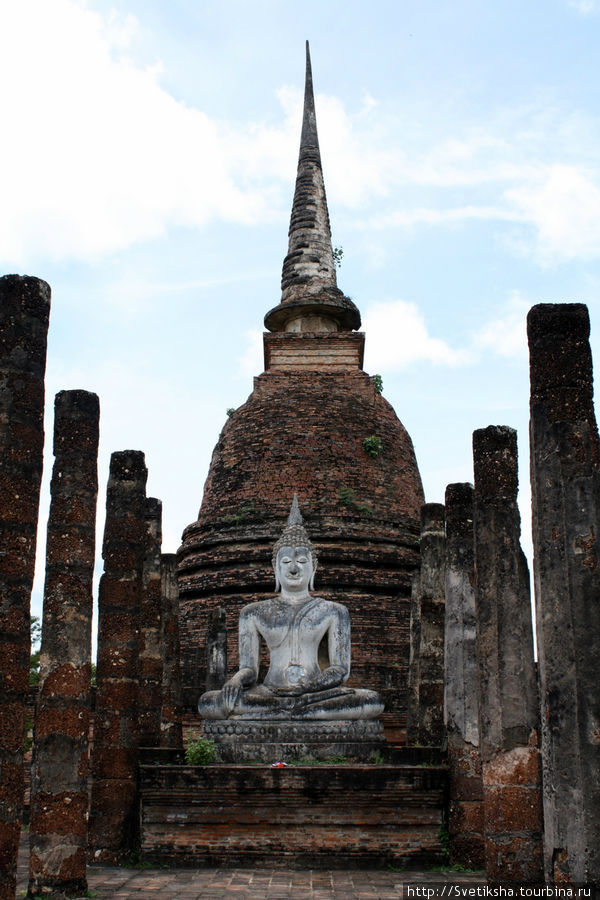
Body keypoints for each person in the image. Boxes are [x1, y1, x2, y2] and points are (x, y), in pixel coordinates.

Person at [198, 495, 383, 721]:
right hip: (270, 692)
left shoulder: (334, 611)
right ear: (275, 568)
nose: (294, 569)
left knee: (372, 700)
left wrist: (310, 687)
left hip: (316, 693)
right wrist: (236, 680)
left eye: (302, 562)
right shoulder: (253, 613)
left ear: (313, 568)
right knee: (209, 701)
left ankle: (288, 713)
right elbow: (250, 670)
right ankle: (297, 713)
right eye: (286, 562)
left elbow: (340, 670)